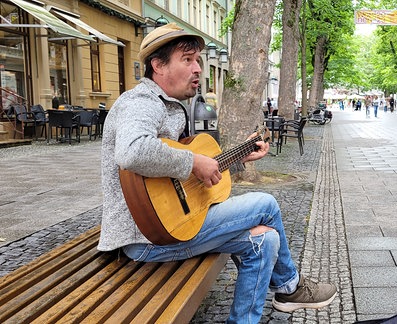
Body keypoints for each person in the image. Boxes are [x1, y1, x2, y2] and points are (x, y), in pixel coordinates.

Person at [97, 22, 337, 323]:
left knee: (267, 242)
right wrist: (194, 162)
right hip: (146, 238)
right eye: (187, 60)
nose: (198, 68)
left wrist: (237, 158)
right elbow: (132, 151)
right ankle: (290, 287)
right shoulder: (140, 102)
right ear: (158, 65)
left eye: (198, 59)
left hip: (168, 227)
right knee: (265, 204)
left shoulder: (170, 105)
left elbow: (188, 176)